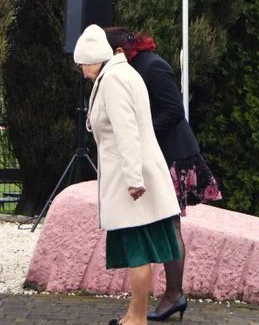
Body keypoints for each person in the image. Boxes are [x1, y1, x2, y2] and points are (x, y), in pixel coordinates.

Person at [104, 27, 221, 322]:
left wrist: (138, 132)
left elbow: (174, 112)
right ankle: (172, 294)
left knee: (171, 226)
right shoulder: (132, 68)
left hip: (173, 156)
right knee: (169, 226)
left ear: (118, 50)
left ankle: (173, 295)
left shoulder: (152, 66)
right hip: (159, 155)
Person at [73, 25, 182, 325]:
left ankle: (137, 319)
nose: (81, 71)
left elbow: (126, 132)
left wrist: (134, 179)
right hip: (133, 175)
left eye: (81, 64)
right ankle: (133, 314)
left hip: (131, 180)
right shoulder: (121, 74)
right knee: (140, 250)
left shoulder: (114, 80)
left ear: (93, 59)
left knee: (137, 252)